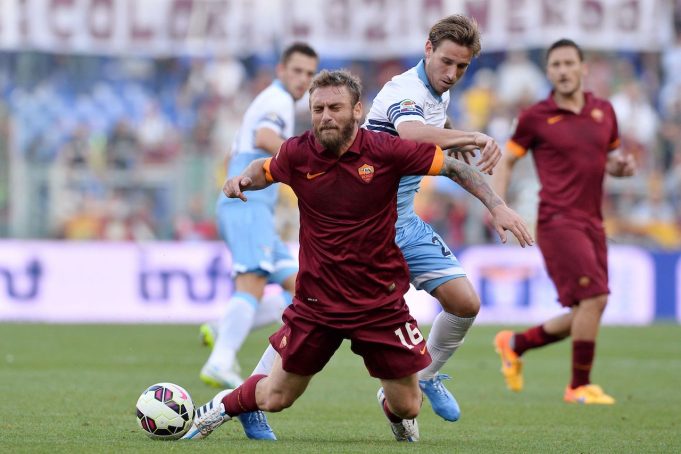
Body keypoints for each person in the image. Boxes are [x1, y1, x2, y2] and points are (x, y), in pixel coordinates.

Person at [182, 70, 533, 442]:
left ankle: (391, 408)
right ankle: (220, 407)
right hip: (319, 302)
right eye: (318, 109)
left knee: (408, 405)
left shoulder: (386, 151)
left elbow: (455, 167)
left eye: (335, 107)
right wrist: (241, 179)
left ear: (357, 110)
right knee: (275, 396)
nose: (325, 116)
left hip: (379, 302)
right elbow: (264, 169)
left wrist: (497, 206)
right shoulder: (298, 153)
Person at [360, 14, 502, 422]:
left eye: (462, 66)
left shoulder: (439, 90)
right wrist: (473, 136)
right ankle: (250, 394)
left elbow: (432, 124)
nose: (453, 73)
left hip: (402, 219)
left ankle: (425, 376)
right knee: (318, 322)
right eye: (446, 62)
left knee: (465, 303)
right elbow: (412, 134)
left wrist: (455, 132)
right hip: (363, 228)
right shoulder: (403, 90)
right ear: (427, 49)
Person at [491, 39, 636, 404]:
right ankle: (578, 387)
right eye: (555, 64)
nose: (563, 70)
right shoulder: (535, 117)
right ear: (549, 72)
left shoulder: (605, 111)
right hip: (557, 220)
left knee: (588, 307)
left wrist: (622, 168)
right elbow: (506, 161)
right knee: (595, 298)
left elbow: (612, 161)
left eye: (569, 63)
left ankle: (514, 343)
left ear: (583, 68)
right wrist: (498, 206)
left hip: (593, 222)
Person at [200, 43, 318, 388]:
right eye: (297, 71)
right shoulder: (276, 99)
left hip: (258, 211)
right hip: (246, 203)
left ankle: (223, 328)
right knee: (251, 280)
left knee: (304, 290)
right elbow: (266, 137)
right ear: (281, 70)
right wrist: (309, 160)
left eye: (309, 74)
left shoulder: (276, 100)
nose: (303, 79)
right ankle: (221, 360)